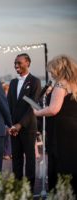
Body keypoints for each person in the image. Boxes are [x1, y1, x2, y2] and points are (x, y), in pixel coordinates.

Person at [33, 55, 77, 193]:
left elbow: (53, 109)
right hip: (74, 127)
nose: (51, 74)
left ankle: (59, 192)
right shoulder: (74, 84)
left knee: (61, 161)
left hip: (62, 131)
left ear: (58, 69)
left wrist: (37, 113)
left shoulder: (60, 84)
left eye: (52, 70)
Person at [7, 53, 41, 190]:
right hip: (13, 128)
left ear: (27, 63)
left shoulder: (35, 81)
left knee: (30, 159)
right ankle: (17, 187)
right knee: (16, 159)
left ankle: (29, 189)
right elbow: (8, 104)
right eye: (15, 63)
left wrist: (20, 125)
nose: (16, 65)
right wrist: (10, 124)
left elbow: (34, 106)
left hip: (27, 127)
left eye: (19, 63)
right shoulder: (13, 82)